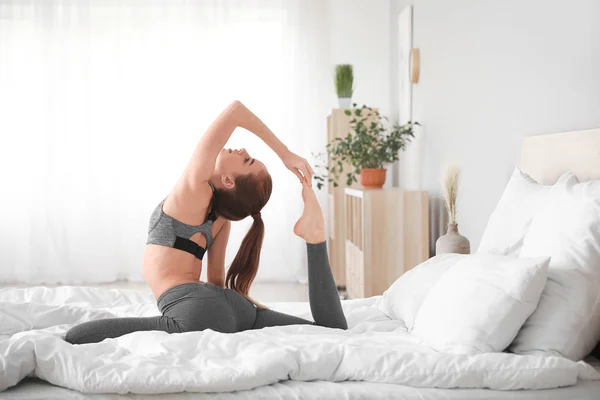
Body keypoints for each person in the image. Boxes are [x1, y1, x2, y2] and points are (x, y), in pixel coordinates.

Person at [65, 101, 347, 344]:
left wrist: (284, 153)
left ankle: (58, 338)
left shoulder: (193, 191)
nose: (242, 150)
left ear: (227, 181)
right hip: (235, 308)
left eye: (247, 160)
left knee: (75, 336)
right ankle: (316, 241)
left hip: (196, 307)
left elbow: (235, 110)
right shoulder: (221, 216)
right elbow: (215, 281)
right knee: (330, 330)